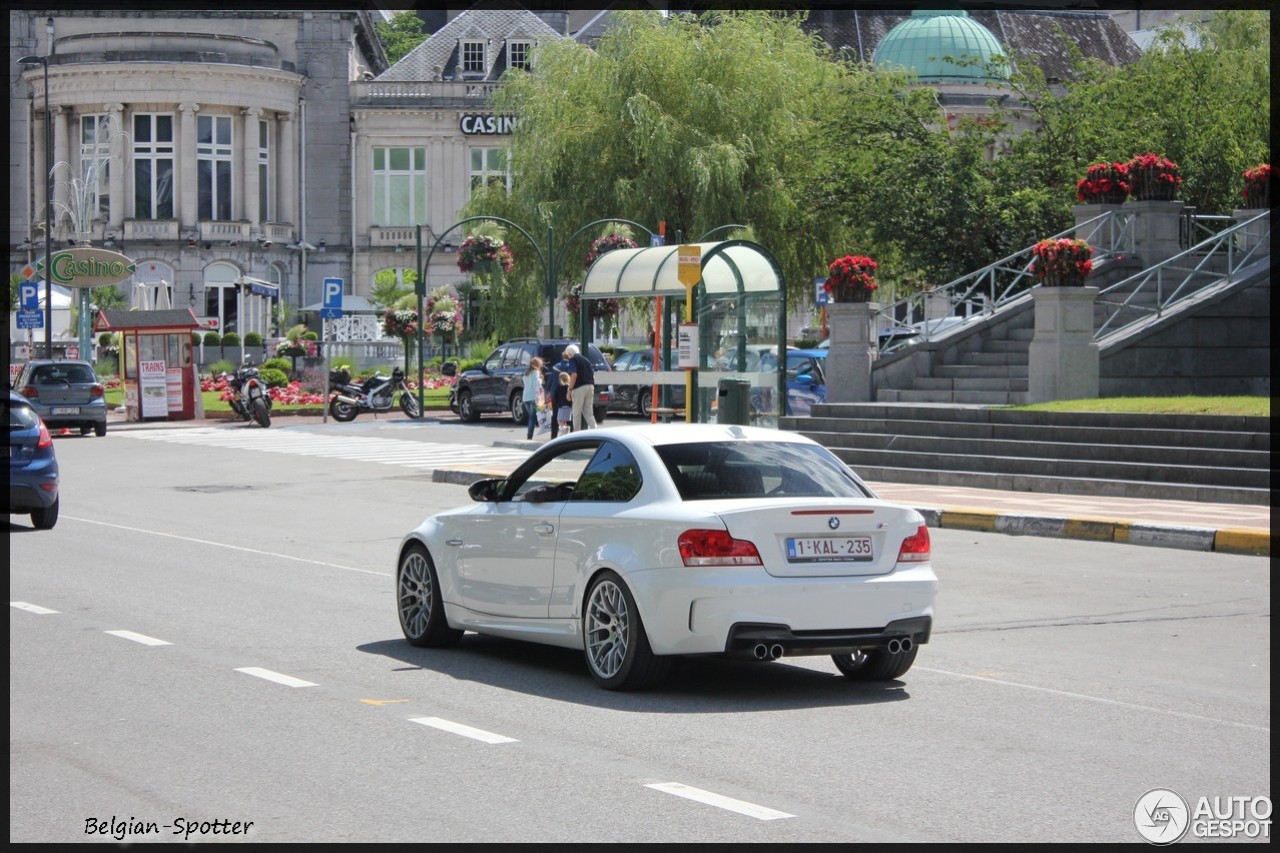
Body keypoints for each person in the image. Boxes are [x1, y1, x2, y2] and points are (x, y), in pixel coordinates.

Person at [563, 343, 597, 432]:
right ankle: (595, 430)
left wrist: (569, 390)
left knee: (576, 412)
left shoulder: (573, 360)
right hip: (590, 386)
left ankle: (576, 433)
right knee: (588, 412)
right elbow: (592, 375)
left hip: (579, 388)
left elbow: (573, 375)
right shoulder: (586, 360)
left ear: (569, 354)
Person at [521, 357, 543, 440]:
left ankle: (529, 435)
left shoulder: (526, 373)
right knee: (532, 418)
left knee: (531, 417)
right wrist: (541, 379)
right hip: (533, 397)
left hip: (525, 397)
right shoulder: (536, 372)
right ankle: (529, 436)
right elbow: (537, 384)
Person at [554, 370, 573, 435]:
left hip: (561, 406)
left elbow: (555, 397)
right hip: (569, 406)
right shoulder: (569, 387)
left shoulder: (558, 387)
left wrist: (557, 404)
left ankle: (564, 431)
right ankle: (566, 430)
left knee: (560, 420)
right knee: (565, 420)